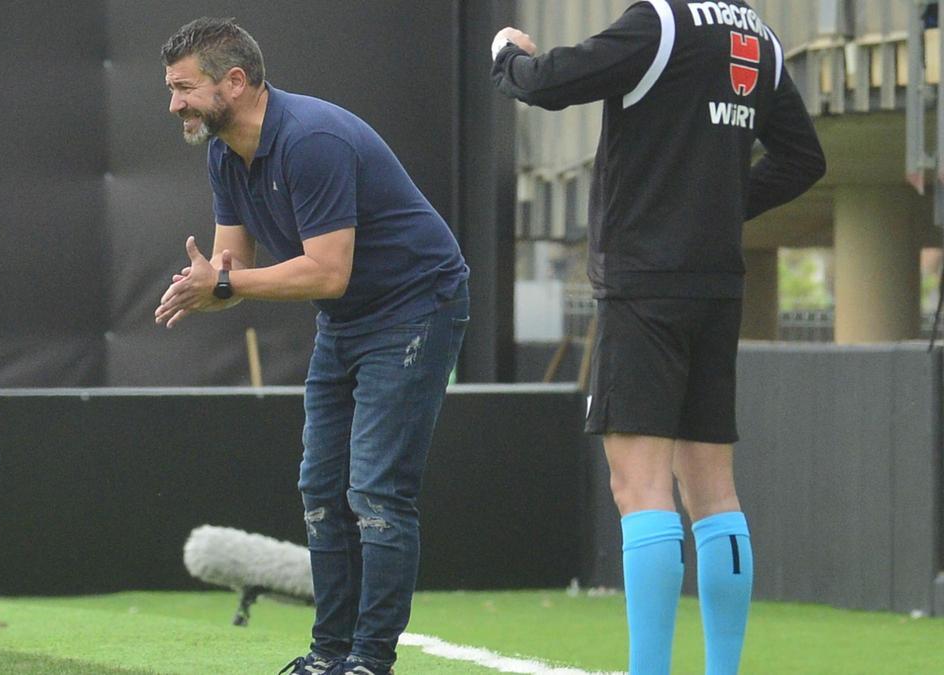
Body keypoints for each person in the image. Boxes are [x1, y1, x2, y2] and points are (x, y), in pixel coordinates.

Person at [490, 2, 824, 674]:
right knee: (714, 492)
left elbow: (548, 82)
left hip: (644, 285)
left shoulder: (660, 23)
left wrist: (506, 54)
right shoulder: (758, 36)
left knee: (639, 488)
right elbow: (803, 159)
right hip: (717, 288)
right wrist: (724, 206)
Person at [155, 17, 469, 675]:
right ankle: (329, 654)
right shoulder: (223, 152)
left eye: (184, 88)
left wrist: (226, 279)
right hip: (347, 318)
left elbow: (327, 270)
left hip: (417, 305)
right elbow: (232, 267)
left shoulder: (312, 140)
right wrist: (204, 285)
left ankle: (370, 660)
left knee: (378, 489)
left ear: (233, 82)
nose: (175, 104)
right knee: (321, 487)